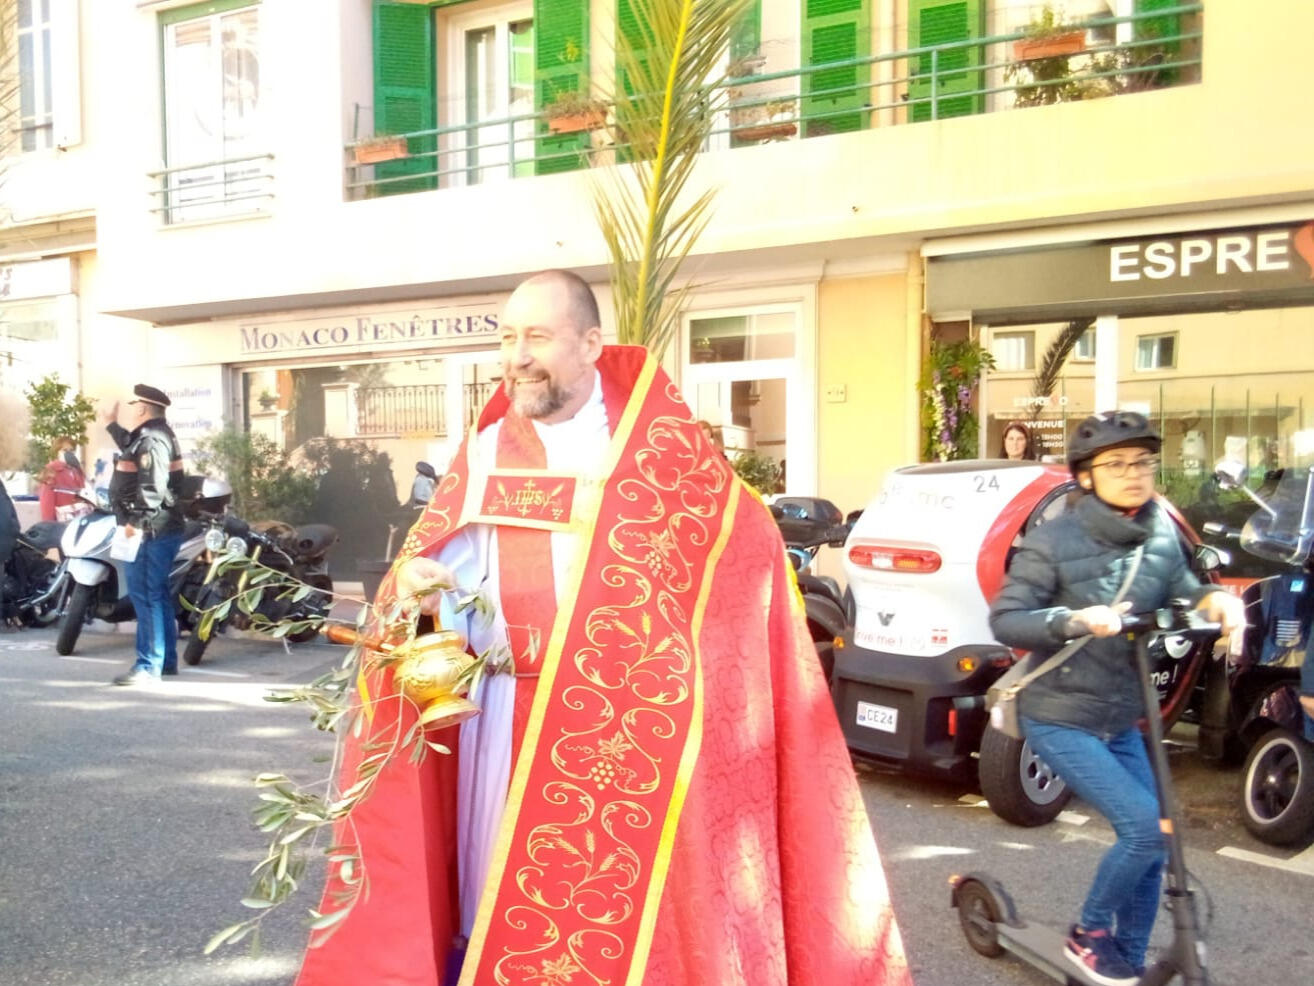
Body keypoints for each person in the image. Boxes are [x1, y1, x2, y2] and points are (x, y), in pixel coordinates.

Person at [295, 271, 909, 986]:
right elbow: (443, 572)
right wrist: (419, 592)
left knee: (629, 919)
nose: (516, 356)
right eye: (506, 337)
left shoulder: (660, 455)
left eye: (537, 337)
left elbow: (745, 569)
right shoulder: (488, 448)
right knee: (493, 892)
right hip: (498, 716)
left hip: (625, 733)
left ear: (590, 344)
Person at [989, 411, 1244, 986]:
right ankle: (1089, 935)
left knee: (1161, 834)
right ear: (1086, 477)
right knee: (1143, 829)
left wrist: (1217, 603)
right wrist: (1073, 619)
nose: (1134, 473)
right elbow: (1007, 619)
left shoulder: (1158, 532)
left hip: (1120, 716)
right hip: (1058, 715)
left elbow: (1187, 589)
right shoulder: (1053, 540)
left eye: (1143, 462)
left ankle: (1125, 960)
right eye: (1117, 463)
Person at [105, 384, 186, 686]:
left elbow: (152, 488)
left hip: (149, 529)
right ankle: (164, 662)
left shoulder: (152, 439)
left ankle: (148, 665)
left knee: (147, 596)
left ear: (141, 408)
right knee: (157, 595)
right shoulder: (152, 435)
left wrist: (134, 525)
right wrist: (110, 424)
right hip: (154, 527)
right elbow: (130, 445)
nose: (131, 409)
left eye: (133, 405)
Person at [36, 436, 86, 522]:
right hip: (61, 522)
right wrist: (49, 525)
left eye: (71, 450)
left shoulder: (77, 470)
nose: (69, 453)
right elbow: (47, 502)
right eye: (65, 450)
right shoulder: (51, 471)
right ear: (57, 452)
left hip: (79, 520)